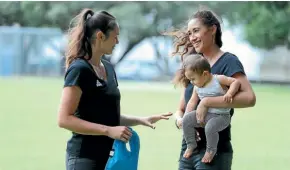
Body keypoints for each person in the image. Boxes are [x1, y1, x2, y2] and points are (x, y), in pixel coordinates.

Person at [57, 8, 172, 170]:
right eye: (115, 36)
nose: (117, 41)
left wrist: (141, 120)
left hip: (111, 158)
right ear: (100, 36)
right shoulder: (79, 69)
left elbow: (107, 116)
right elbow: (64, 119)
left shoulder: (109, 69)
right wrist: (108, 130)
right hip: (84, 158)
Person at [167, 9, 256, 170]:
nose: (192, 37)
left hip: (215, 153)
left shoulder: (228, 61)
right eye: (189, 33)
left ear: (212, 29)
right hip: (187, 151)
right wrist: (180, 120)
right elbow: (180, 109)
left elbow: (249, 98)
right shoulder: (193, 64)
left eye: (196, 31)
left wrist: (208, 102)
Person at [175, 54, 241, 163]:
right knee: (187, 120)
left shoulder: (218, 80)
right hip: (206, 115)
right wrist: (185, 117)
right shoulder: (197, 87)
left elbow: (235, 82)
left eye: (193, 79)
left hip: (221, 116)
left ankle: (211, 150)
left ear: (205, 74)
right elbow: (192, 102)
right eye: (189, 80)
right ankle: (191, 144)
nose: (191, 82)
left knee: (210, 127)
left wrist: (230, 93)